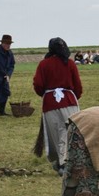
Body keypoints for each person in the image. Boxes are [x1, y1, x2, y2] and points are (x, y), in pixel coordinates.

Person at [33, 37, 83, 175]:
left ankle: (61, 162)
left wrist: (46, 94)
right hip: (69, 102)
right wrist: (74, 96)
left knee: (55, 132)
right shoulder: (70, 64)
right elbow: (77, 85)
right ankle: (64, 162)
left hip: (50, 104)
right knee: (67, 132)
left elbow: (38, 85)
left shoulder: (43, 64)